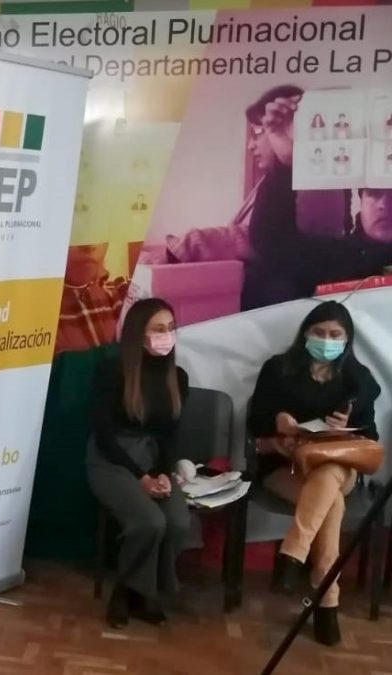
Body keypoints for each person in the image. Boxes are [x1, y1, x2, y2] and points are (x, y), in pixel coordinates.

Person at [247, 301, 382, 647]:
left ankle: (293, 552)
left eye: (335, 334)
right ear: (305, 333)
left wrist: (346, 424)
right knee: (329, 504)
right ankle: (327, 601)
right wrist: (279, 424)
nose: (327, 340)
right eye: (319, 332)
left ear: (347, 339)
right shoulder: (278, 369)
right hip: (287, 467)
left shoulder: (357, 380)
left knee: (329, 472)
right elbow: (254, 424)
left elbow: (370, 438)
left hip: (339, 467)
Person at [87, 298, 190, 628]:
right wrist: (141, 478)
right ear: (138, 333)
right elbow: (103, 434)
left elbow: (170, 435)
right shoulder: (112, 370)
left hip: (154, 460)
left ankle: (141, 592)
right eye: (158, 328)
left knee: (178, 523)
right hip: (112, 459)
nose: (166, 335)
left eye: (171, 328)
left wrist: (163, 473)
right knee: (150, 522)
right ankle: (125, 592)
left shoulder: (178, 377)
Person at [242, 94, 392, 309]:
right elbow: (272, 243)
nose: (384, 205)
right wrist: (288, 164)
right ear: (361, 198)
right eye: (374, 193)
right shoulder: (340, 256)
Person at [164, 85, 304, 265]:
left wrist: (189, 245)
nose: (250, 145)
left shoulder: (306, 188)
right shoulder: (268, 184)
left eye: (258, 132)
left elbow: (261, 237)